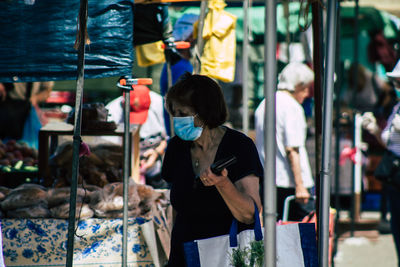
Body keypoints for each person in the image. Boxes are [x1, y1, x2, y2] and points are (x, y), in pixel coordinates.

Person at [161, 73, 263, 266]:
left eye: (183, 113)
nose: (177, 120)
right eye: (174, 113)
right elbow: (176, 208)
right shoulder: (176, 147)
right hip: (184, 254)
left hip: (225, 255)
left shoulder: (239, 146)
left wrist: (223, 184)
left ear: (205, 112)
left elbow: (251, 214)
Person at [255, 62, 315, 221]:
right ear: (298, 85)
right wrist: (300, 185)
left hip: (269, 180)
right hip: (290, 184)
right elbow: (292, 149)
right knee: (303, 234)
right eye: (306, 87)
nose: (308, 93)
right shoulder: (292, 107)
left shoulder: (265, 103)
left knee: (275, 232)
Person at [363, 59, 400, 266]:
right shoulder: (397, 107)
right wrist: (375, 130)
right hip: (394, 175)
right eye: (396, 83)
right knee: (397, 225)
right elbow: (387, 141)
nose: (397, 87)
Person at [105, 85, 168, 189]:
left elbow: (168, 138)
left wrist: (156, 153)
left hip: (157, 169)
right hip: (125, 173)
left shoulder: (161, 105)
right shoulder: (111, 112)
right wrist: (129, 160)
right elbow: (109, 152)